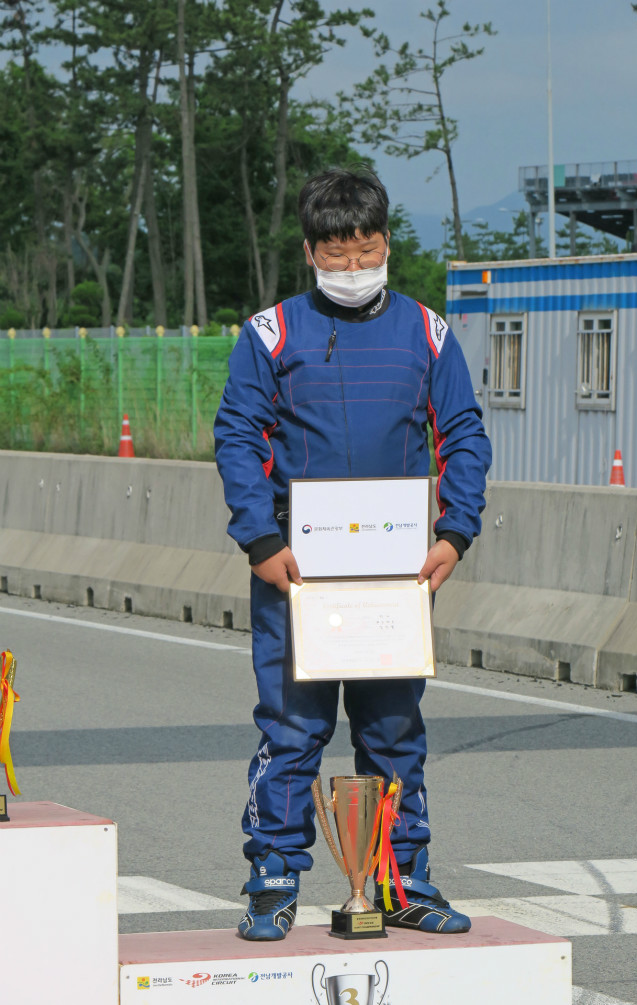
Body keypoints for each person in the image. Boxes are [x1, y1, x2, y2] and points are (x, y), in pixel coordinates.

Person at [214, 167, 491, 942]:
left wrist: (454, 532)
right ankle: (271, 877)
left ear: (387, 245)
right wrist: (260, 540)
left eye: (364, 250)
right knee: (293, 730)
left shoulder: (429, 332)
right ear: (309, 252)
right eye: (334, 255)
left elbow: (463, 431)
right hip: (295, 573)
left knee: (395, 732)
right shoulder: (267, 334)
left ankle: (402, 880)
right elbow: (237, 436)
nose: (350, 266)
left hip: (398, 577)